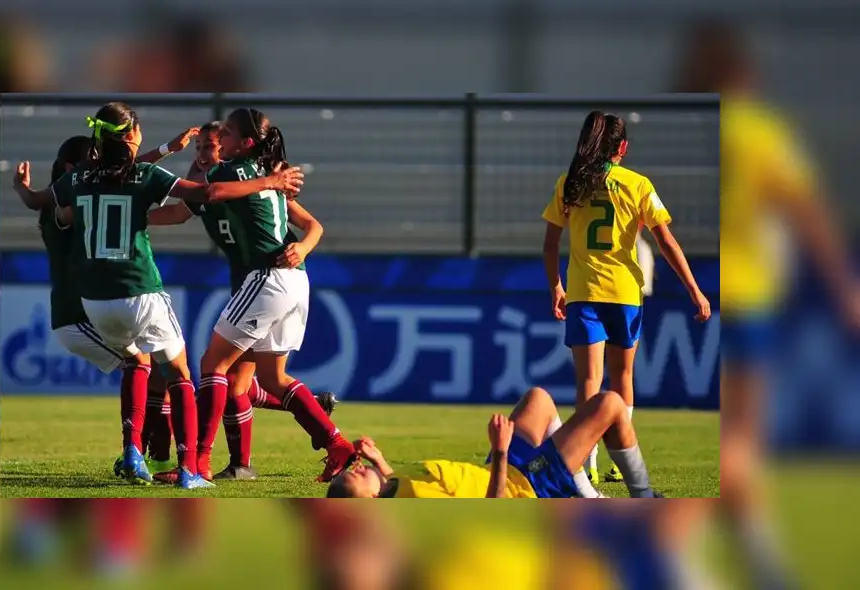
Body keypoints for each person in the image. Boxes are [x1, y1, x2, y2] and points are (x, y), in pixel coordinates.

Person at [12, 101, 305, 490]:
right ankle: (189, 470)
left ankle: (135, 451)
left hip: (95, 304)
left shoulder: (80, 178)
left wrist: (21, 187)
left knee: (139, 365)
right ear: (132, 136)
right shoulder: (144, 175)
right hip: (139, 290)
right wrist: (270, 182)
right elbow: (209, 192)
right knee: (183, 374)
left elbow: (36, 200)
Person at [673, 19, 860, 590]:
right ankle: (677, 553)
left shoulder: (680, 130)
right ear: (744, 71)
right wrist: (844, 286)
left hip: (687, 299)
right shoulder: (758, 130)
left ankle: (755, 557)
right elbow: (806, 211)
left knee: (708, 436)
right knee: (734, 441)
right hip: (746, 298)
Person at [149, 120, 336, 481]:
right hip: (250, 286)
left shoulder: (244, 182)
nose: (203, 154)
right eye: (200, 147)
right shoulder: (213, 188)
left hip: (268, 283)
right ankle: (244, 463)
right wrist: (134, 221)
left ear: (232, 149)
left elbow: (312, 224)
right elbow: (177, 211)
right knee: (245, 380)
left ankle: (211, 463)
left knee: (223, 372)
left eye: (211, 146)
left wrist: (302, 246)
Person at [541, 111, 711, 485]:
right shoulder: (637, 184)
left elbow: (550, 243)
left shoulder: (570, 183)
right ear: (622, 147)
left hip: (584, 294)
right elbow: (666, 242)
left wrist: (555, 284)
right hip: (624, 293)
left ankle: (586, 465)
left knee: (589, 381)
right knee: (623, 376)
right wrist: (695, 290)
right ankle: (622, 459)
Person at [33, 129, 199, 475]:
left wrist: (167, 150)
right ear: (70, 167)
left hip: (88, 311)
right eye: (91, 162)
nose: (100, 168)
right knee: (150, 368)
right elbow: (120, 181)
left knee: (154, 370)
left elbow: (123, 175)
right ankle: (143, 453)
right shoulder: (64, 209)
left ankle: (148, 452)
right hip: (77, 317)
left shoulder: (77, 194)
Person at [326, 386, 662, 498]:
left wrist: (379, 460)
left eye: (348, 472)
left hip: (502, 469)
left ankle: (583, 491)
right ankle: (643, 496)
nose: (351, 471)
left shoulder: (396, 486)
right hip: (525, 487)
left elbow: (405, 480)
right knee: (611, 404)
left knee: (539, 399)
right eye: (351, 480)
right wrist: (500, 450)